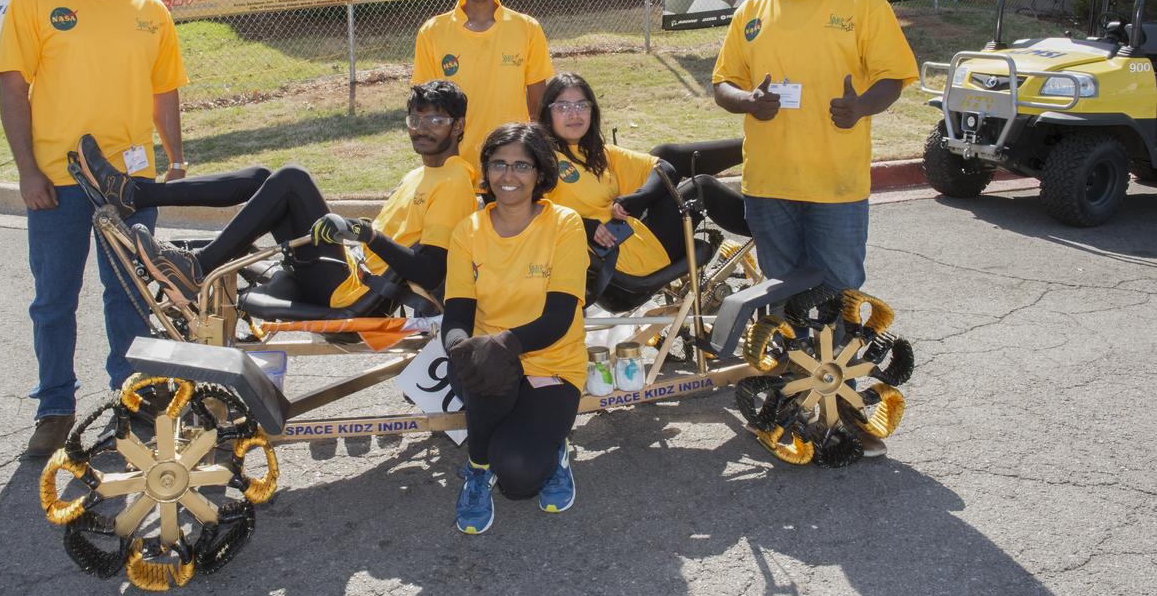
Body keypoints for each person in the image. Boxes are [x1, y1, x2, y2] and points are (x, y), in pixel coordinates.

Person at [0, 0, 190, 457]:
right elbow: (13, 88)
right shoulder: (36, 0)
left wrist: (174, 157)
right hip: (58, 180)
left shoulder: (151, 10)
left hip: (130, 181)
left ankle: (128, 402)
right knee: (54, 300)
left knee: (129, 296)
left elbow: (165, 88)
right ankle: (55, 408)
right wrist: (27, 171)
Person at [711, 0, 917, 295]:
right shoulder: (751, 11)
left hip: (836, 185)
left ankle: (836, 359)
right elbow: (723, 85)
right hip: (769, 186)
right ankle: (791, 361)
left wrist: (861, 107)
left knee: (836, 294)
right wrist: (748, 102)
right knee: (779, 297)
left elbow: (893, 76)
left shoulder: (861, 0)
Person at [120, 81, 478, 313]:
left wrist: (366, 234)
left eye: (435, 121)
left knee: (292, 178)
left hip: (355, 292)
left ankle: (196, 267)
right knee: (264, 178)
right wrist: (357, 237)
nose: (421, 129)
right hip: (347, 267)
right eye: (415, 120)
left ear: (458, 126)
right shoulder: (418, 175)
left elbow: (431, 271)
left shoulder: (455, 181)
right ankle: (139, 194)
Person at [443, 122, 588, 534]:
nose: (509, 176)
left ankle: (551, 450)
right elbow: (455, 317)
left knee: (519, 475)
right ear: (486, 172)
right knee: (487, 365)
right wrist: (461, 349)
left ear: (540, 173)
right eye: (498, 164)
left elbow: (559, 318)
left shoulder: (565, 224)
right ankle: (476, 467)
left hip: (551, 362)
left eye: (521, 166)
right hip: (489, 365)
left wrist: (504, 344)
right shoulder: (467, 232)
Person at [538, 73, 750, 283]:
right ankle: (774, 227)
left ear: (592, 110)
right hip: (622, 261)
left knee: (665, 153)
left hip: (628, 237)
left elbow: (664, 166)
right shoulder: (542, 158)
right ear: (548, 113)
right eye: (563, 107)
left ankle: (752, 146)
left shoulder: (598, 153)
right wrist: (582, 225)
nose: (574, 114)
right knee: (702, 187)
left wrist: (639, 198)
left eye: (582, 105)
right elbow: (526, 211)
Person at [411, 0, 554, 175]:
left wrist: (535, 160)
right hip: (454, 170)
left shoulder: (527, 29)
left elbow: (538, 106)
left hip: (510, 169)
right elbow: (426, 113)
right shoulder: (432, 32)